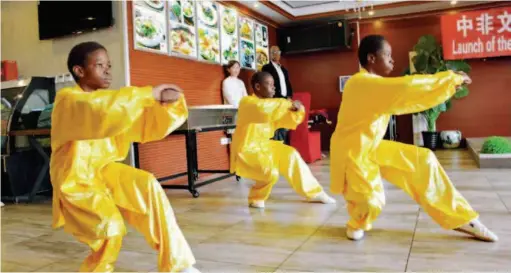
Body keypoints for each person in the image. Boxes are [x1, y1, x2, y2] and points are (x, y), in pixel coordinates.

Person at [330, 35, 498, 242]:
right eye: (388, 55)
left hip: (371, 148)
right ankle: (357, 222)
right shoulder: (360, 83)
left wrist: (447, 85)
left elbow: (405, 96)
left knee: (423, 160)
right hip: (351, 152)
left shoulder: (374, 84)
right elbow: (407, 88)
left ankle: (462, 218)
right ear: (372, 58)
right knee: (371, 201)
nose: (392, 60)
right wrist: (449, 79)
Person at [50, 41, 200, 272]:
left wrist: (165, 105)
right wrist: (149, 93)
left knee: (147, 185)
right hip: (75, 180)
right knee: (109, 228)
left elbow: (140, 122)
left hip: (106, 170)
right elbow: (99, 111)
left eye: (108, 65)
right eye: (100, 65)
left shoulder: (112, 102)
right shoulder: (68, 99)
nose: (108, 70)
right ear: (80, 71)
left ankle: (178, 265)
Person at [230, 71, 336, 208]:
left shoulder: (274, 105)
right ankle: (256, 197)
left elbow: (288, 119)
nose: (274, 88)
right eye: (269, 84)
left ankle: (314, 193)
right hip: (246, 149)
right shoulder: (247, 102)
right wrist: (287, 104)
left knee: (291, 154)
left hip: (265, 145)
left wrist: (297, 110)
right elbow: (262, 111)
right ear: (257, 87)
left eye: (274, 85)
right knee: (269, 172)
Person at [262, 46, 293, 145]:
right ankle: (277, 146)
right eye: (273, 52)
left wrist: (289, 96)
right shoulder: (266, 67)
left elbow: (288, 83)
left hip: (285, 99)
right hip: (274, 99)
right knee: (276, 124)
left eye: (278, 52)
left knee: (285, 124)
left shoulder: (283, 68)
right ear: (270, 54)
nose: (276, 54)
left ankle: (285, 146)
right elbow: (266, 84)